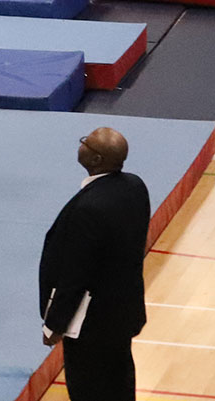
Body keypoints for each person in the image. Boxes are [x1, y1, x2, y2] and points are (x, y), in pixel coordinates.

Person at [40, 127, 150, 401]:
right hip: (124, 311)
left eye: (85, 143)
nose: (81, 144)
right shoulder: (135, 186)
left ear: (96, 160)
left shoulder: (89, 209)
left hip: (92, 324)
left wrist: (54, 324)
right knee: (120, 383)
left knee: (90, 389)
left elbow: (76, 275)